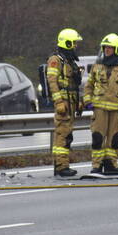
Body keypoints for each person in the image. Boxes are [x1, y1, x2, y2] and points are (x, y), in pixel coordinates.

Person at [83, 34, 118, 175]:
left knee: (114, 138)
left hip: (116, 109)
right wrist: (87, 100)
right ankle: (97, 165)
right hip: (100, 107)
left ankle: (111, 164)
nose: (107, 50)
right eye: (105, 47)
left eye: (110, 48)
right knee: (98, 137)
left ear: (117, 49)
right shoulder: (97, 64)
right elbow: (89, 85)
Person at [46, 28, 83, 177]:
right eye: (73, 43)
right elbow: (52, 82)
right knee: (63, 134)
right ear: (67, 43)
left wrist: (79, 101)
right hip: (64, 104)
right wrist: (59, 102)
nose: (75, 46)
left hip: (71, 102)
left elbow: (73, 84)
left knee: (66, 134)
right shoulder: (56, 60)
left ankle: (59, 164)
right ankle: (62, 166)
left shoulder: (69, 61)